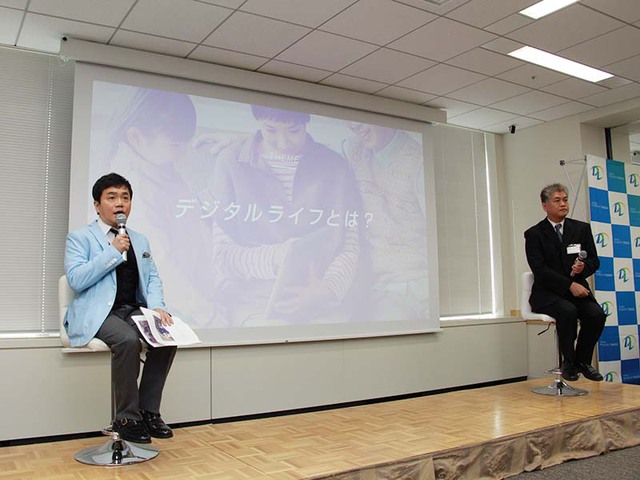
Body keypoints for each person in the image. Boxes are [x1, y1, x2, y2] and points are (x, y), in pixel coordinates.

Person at [206, 105, 361, 326]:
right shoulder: (230, 162)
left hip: (321, 301)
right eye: (270, 130)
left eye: (294, 130)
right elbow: (222, 255)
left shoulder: (335, 166)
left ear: (306, 122)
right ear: (257, 121)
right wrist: (276, 257)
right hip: (256, 302)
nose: (283, 142)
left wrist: (327, 290)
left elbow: (349, 243)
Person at [64, 173, 177, 443]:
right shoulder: (80, 238)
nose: (120, 204)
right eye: (112, 197)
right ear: (97, 205)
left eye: (125, 198)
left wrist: (158, 307)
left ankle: (148, 411)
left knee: (166, 338)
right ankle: (126, 418)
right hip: (98, 312)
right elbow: (76, 279)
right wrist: (113, 252)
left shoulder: (139, 239)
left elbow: (152, 277)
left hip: (133, 309)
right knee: (127, 341)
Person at [342, 122, 428, 321]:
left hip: (424, 285)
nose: (354, 126)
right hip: (384, 289)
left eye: (361, 116)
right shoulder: (351, 148)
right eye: (350, 120)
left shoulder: (420, 161)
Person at [524, 183, 606, 382]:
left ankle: (582, 361)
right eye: (557, 200)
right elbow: (540, 269)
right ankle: (568, 362)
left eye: (565, 199)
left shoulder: (581, 229)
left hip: (576, 291)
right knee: (567, 311)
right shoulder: (534, 234)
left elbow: (594, 261)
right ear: (545, 206)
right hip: (547, 293)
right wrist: (569, 285)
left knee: (596, 314)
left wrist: (583, 268)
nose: (563, 204)